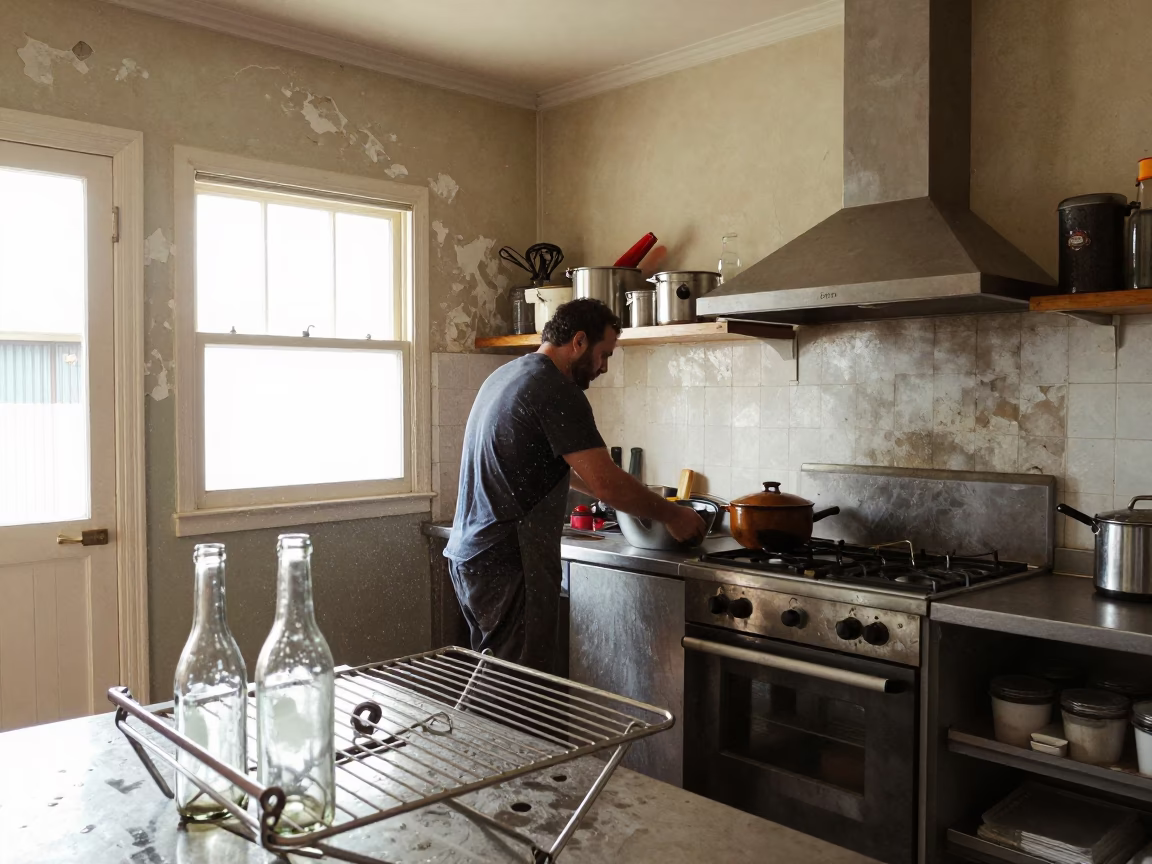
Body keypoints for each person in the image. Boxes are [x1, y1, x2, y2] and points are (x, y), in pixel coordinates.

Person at [444, 298, 706, 673]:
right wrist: (672, 514)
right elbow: (607, 485)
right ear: (579, 341)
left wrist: (619, 491)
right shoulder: (556, 389)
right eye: (605, 355)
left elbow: (566, 471)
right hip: (510, 563)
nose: (603, 367)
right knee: (516, 690)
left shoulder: (509, 375)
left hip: (473, 556)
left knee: (494, 679)